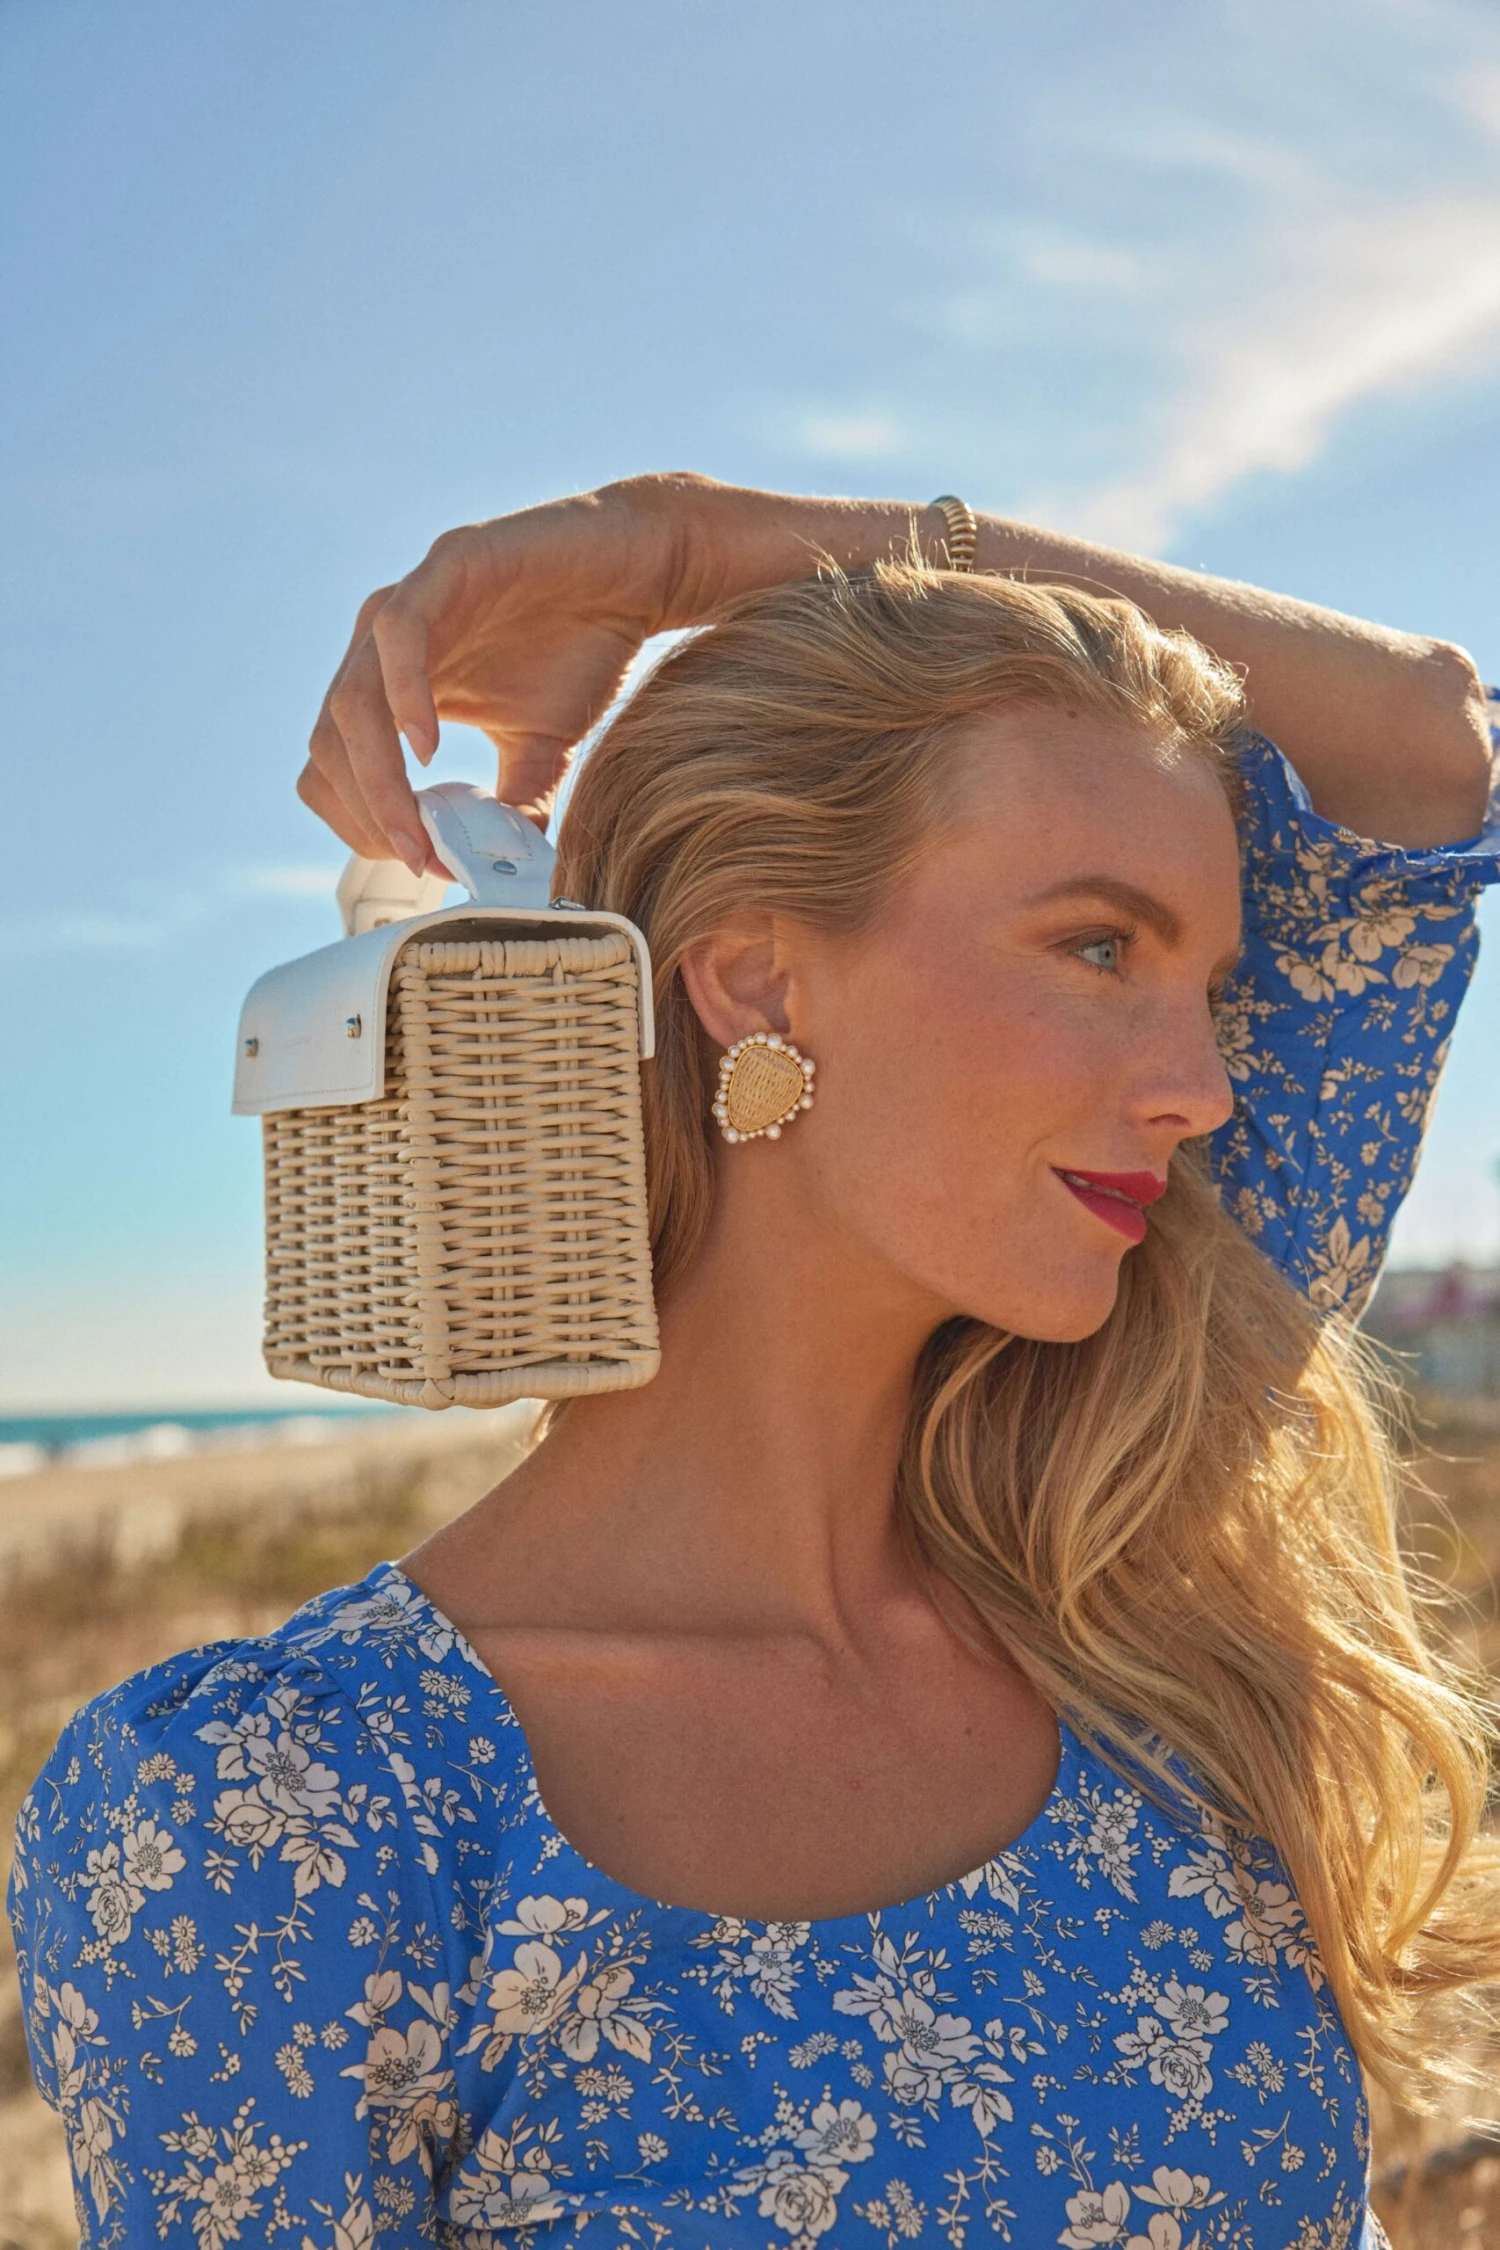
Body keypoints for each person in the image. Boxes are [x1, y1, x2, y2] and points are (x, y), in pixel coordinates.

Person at [10, 477, 1500, 2250]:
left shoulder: (1123, 1531)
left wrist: (695, 549)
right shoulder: (287, 1818)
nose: (1202, 1083)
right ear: (755, 981)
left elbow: (1422, 740)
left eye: (1210, 985)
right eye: (1100, 947)